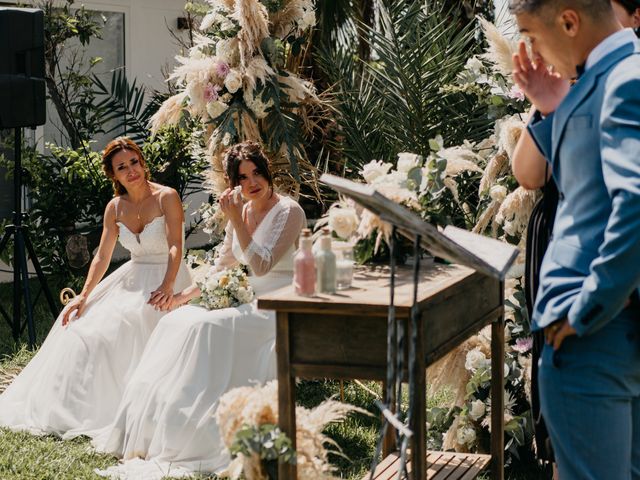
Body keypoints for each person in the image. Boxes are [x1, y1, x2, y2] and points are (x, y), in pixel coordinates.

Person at [92, 141, 306, 479]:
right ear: (233, 183)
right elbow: (221, 269)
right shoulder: (245, 211)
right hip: (245, 298)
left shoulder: (288, 211)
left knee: (207, 329)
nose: (252, 182)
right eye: (242, 177)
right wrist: (181, 298)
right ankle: (168, 428)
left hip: (277, 304)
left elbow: (262, 266)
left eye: (256, 173)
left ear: (268, 172)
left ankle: (206, 433)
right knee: (176, 323)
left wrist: (235, 219)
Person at [509, 1, 640, 479]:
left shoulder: (625, 80)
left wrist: (585, 309)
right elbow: (585, 188)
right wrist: (553, 106)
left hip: (593, 339)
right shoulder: (606, 79)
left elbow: (636, 206)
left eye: (531, 34)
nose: (530, 49)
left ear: (568, 21)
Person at [0, 137, 191, 438]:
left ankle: (136, 403)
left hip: (169, 273)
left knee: (134, 319)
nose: (131, 171)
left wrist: (167, 284)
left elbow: (176, 245)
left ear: (143, 163)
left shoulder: (166, 196)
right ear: (113, 175)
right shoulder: (115, 207)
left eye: (134, 163)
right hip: (132, 275)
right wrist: (84, 295)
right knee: (82, 326)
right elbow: (102, 255)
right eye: (122, 167)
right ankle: (79, 406)